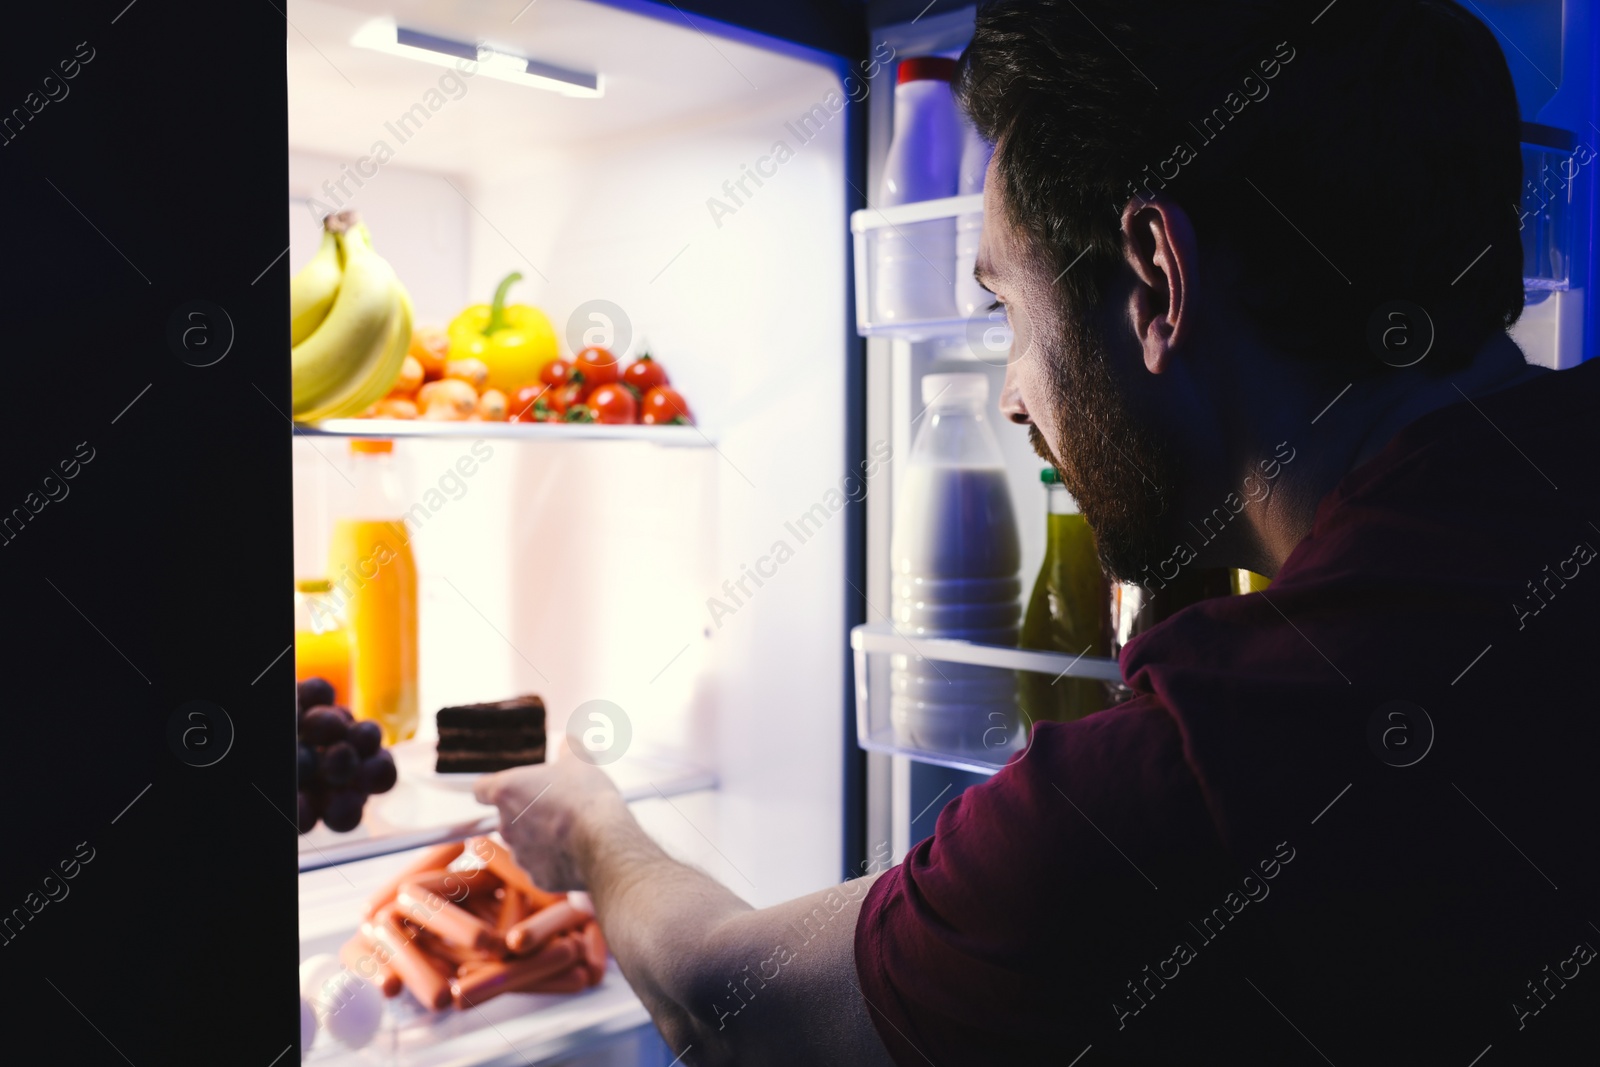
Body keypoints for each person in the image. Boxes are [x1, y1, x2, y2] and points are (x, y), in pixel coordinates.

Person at [476, 0, 1600, 1062]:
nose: (1013, 393)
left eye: (1006, 306)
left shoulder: (1166, 796)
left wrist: (590, 829)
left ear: (1156, 279)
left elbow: (730, 1003)